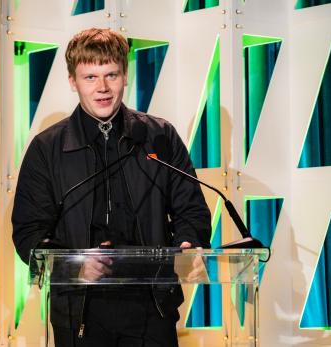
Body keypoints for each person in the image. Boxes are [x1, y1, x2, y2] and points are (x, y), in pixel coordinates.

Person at [12, 28, 211, 347]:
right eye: (90, 77)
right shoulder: (46, 149)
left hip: (152, 307)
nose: (102, 88)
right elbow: (28, 233)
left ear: (125, 75)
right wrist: (74, 266)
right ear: (72, 81)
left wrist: (189, 243)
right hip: (81, 312)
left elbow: (192, 210)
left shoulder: (159, 136)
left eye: (111, 75)